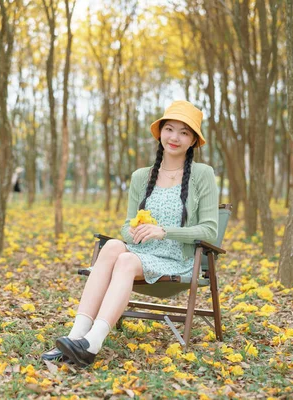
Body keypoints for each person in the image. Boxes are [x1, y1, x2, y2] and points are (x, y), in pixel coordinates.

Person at [42, 100, 219, 367]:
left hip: (176, 260)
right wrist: (133, 230)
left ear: (193, 140)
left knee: (124, 259)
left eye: (184, 132)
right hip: (140, 252)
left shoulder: (202, 175)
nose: (174, 137)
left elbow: (210, 230)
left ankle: (92, 343)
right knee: (113, 246)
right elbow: (126, 225)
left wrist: (163, 231)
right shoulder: (141, 176)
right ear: (160, 133)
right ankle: (76, 336)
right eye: (169, 129)